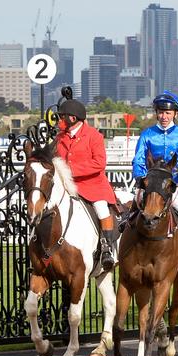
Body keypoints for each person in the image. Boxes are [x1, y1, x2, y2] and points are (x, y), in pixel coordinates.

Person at [55, 96, 119, 271]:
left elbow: (99, 163)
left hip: (93, 185)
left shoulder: (94, 136)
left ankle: (106, 249)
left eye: (62, 117)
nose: (60, 121)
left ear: (73, 118)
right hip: (68, 186)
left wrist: (71, 170)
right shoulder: (60, 137)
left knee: (101, 208)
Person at [132, 91, 178, 238]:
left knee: (177, 203)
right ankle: (125, 225)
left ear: (175, 114)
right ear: (156, 113)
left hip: (173, 183)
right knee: (135, 202)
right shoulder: (147, 135)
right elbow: (138, 159)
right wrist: (139, 177)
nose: (164, 117)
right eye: (161, 113)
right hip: (150, 183)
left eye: (168, 113)